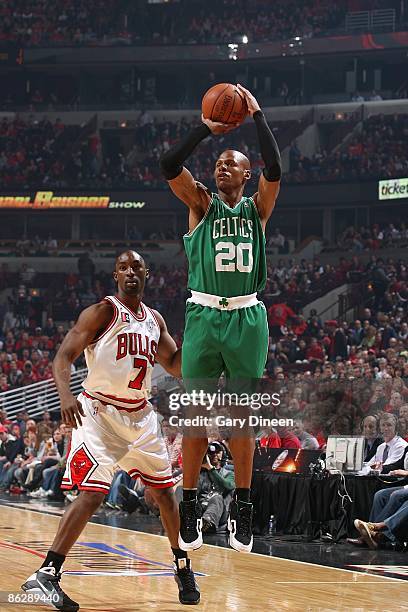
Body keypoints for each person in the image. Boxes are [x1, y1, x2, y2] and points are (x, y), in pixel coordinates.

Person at [21, 251, 200, 610]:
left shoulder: (154, 320)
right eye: (123, 268)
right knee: (92, 493)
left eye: (136, 267)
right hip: (99, 412)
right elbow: (62, 357)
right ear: (115, 275)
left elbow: (177, 366)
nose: (130, 272)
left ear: (146, 274)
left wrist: (201, 337)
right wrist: (65, 395)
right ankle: (46, 574)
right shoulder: (102, 312)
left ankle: (182, 565)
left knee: (165, 496)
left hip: (141, 415)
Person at [160, 83, 281, 553]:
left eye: (231, 162)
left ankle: (244, 506)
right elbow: (170, 166)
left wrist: (258, 117)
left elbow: (276, 167)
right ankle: (189, 502)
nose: (220, 165)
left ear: (247, 176)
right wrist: (203, 131)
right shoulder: (201, 205)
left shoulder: (258, 209)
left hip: (248, 317)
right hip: (205, 316)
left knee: (240, 419)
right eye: (218, 162)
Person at [199, 441, 235, 533]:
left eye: (218, 452)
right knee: (181, 490)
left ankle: (206, 522)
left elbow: (227, 486)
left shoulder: (229, 473)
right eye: (211, 453)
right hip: (202, 508)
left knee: (217, 498)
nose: (214, 454)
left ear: (223, 454)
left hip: (220, 512)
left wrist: (211, 469)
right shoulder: (201, 473)